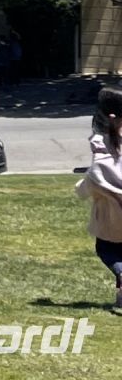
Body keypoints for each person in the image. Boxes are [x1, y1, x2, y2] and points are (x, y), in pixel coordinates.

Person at [75, 86, 122, 312]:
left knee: (108, 251)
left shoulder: (103, 159)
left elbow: (89, 186)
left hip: (112, 222)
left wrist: (80, 188)